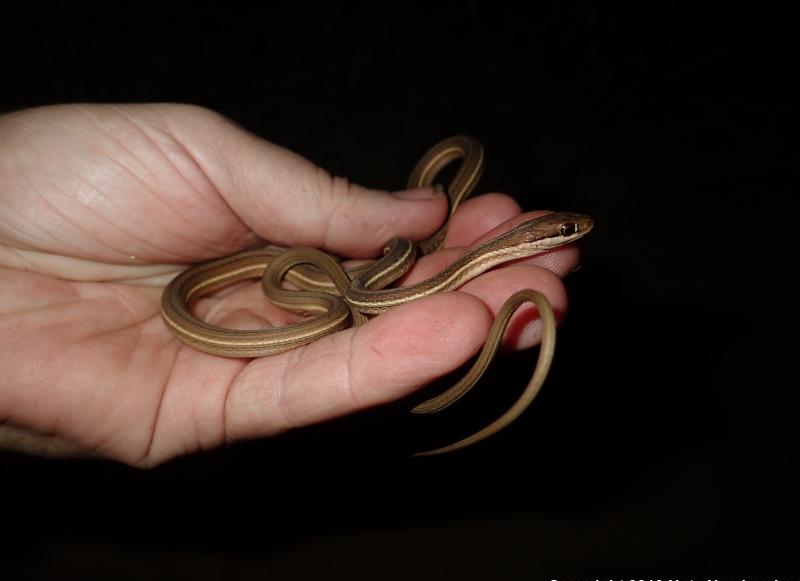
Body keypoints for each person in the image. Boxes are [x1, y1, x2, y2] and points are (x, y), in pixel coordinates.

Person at [0, 104, 580, 466]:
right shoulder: (364, 277)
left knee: (393, 290)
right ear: (531, 241)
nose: (573, 236)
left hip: (346, 280)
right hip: (318, 282)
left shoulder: (443, 262)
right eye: (565, 233)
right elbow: (358, 287)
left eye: (566, 233)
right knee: (369, 293)